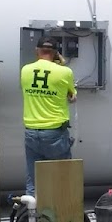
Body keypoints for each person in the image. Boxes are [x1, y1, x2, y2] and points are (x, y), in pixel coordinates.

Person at [20, 37, 76, 196]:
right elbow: (72, 96)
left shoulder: (25, 70)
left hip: (31, 132)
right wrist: (61, 64)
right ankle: (61, 216)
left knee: (33, 181)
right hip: (55, 134)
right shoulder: (65, 72)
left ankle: (31, 216)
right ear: (56, 53)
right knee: (61, 180)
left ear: (37, 51)